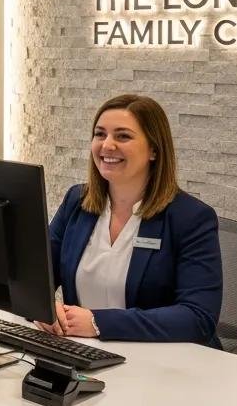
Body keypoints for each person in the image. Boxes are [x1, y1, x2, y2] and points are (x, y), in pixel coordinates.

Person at [42, 93, 222, 344]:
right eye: (100, 134)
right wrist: (45, 308)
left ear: (154, 150)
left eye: (123, 136)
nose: (107, 145)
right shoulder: (77, 201)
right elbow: (38, 276)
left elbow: (198, 317)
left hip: (161, 365)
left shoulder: (190, 218)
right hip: (81, 352)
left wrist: (98, 322)